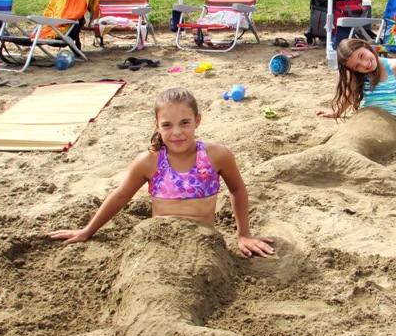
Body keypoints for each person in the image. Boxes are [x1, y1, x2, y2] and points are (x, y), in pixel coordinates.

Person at [48, 87, 275, 258]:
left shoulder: (217, 155)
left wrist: (243, 234)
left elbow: (237, 190)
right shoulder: (149, 161)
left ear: (197, 121)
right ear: (157, 125)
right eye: (167, 125)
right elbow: (120, 196)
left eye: (184, 123)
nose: (176, 132)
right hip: (159, 240)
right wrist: (88, 230)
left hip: (203, 242)